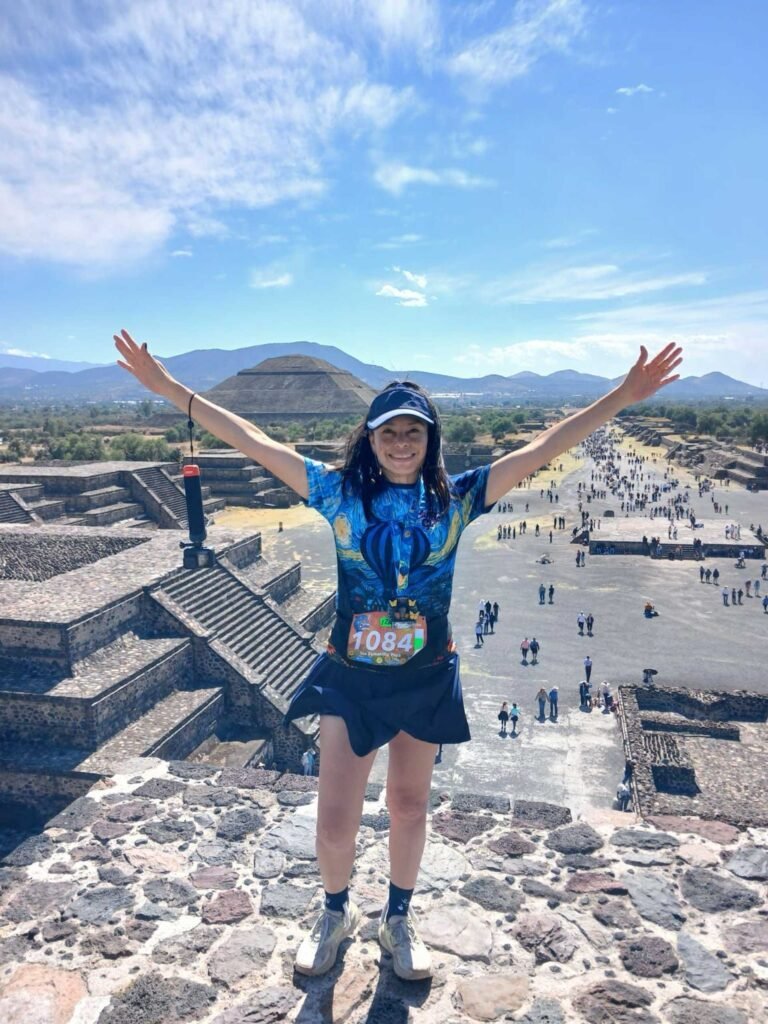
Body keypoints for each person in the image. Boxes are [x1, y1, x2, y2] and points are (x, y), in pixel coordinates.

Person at [114, 329, 682, 981]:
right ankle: (333, 912)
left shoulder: (459, 499)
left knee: (409, 807)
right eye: (390, 432)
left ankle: (398, 919)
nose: (402, 443)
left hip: (424, 675)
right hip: (352, 678)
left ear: (430, 440)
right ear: (371, 438)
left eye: (414, 432)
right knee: (335, 818)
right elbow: (253, 441)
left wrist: (622, 395)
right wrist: (169, 390)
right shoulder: (338, 495)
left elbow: (543, 447)